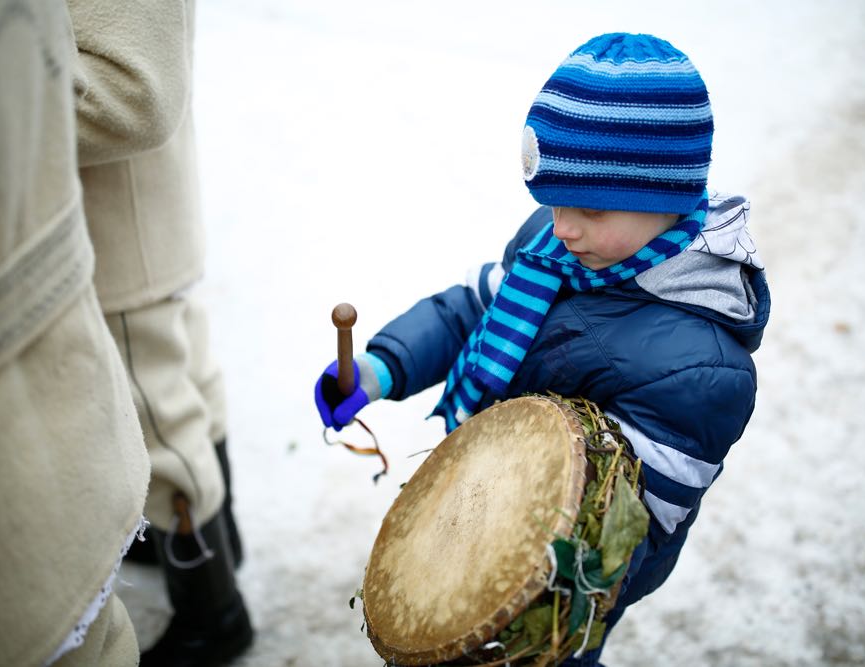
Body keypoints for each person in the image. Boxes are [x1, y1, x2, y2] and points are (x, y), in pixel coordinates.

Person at [314, 32, 770, 665]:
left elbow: (626, 537)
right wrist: (381, 366)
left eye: (588, 207)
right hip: (475, 521)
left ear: (664, 198)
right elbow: (469, 311)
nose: (562, 227)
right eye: (552, 201)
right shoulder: (554, 249)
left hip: (551, 603)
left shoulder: (700, 369)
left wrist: (522, 589)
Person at [0, 2, 150, 665]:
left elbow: (138, 92)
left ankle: (214, 599)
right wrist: (386, 364)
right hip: (19, 396)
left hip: (10, 402)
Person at [65, 1, 253, 664]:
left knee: (159, 420)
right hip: (137, 223)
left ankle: (213, 610)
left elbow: (136, 94)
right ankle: (218, 540)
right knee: (184, 380)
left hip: (120, 235)